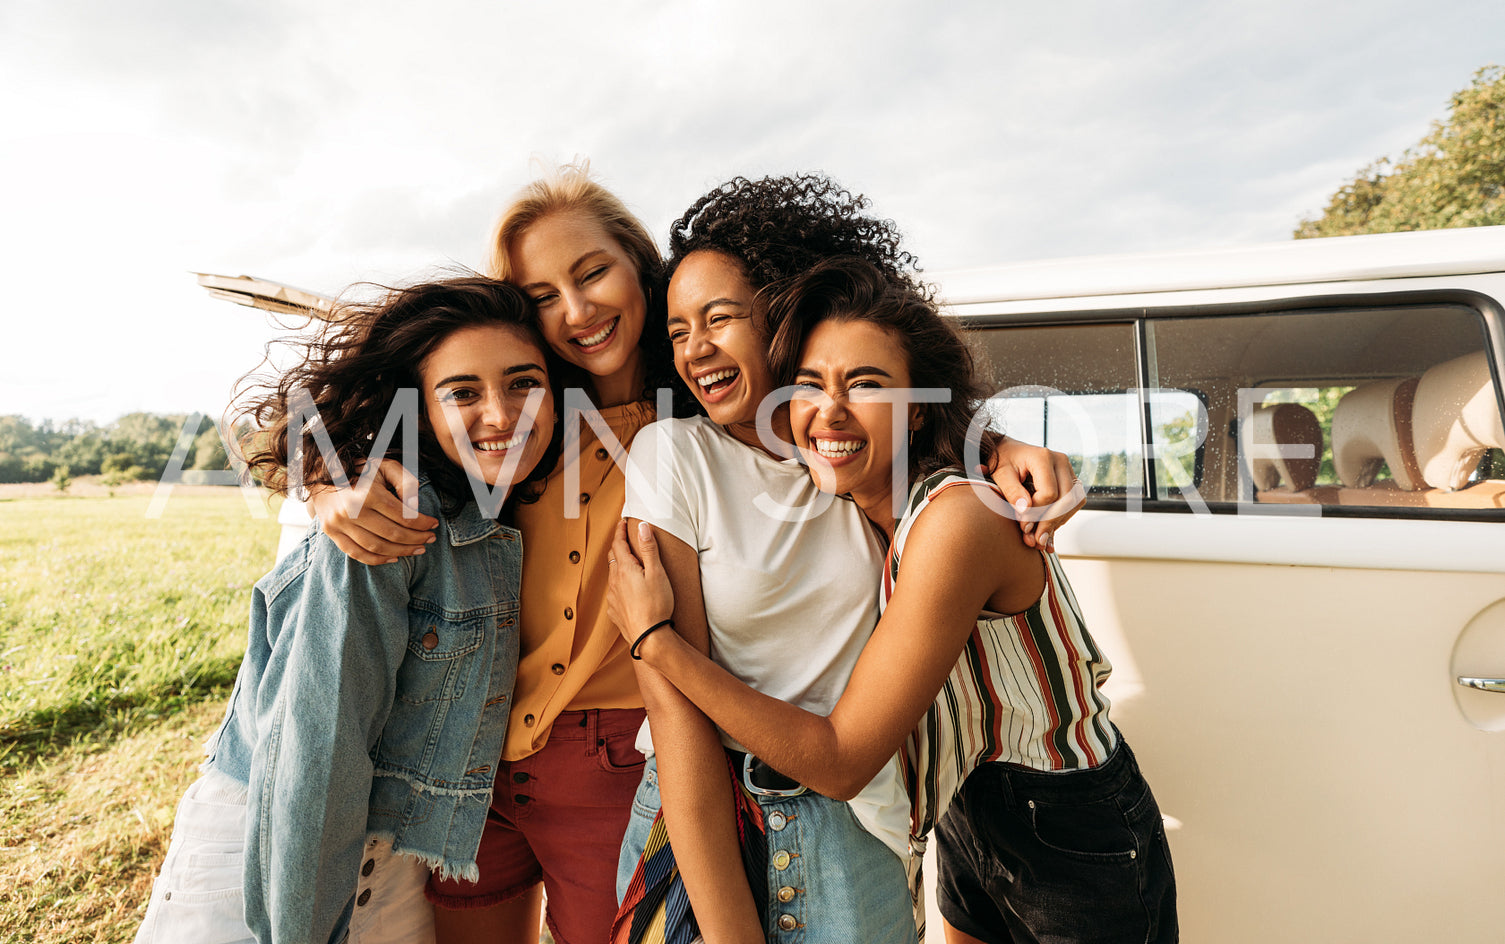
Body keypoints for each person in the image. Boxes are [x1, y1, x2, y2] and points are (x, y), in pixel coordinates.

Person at [307, 167, 1081, 944]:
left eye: (593, 272)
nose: (575, 311)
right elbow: (394, 418)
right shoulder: (525, 409)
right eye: (541, 295)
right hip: (480, 750)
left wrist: (991, 441)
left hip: (625, 758)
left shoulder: (713, 419)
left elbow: (869, 405)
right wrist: (322, 482)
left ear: (641, 272)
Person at [610, 257, 1178, 944]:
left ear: (918, 410)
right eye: (810, 385)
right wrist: (995, 442)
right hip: (964, 804)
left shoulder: (956, 519)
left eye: (866, 384)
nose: (828, 409)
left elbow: (842, 760)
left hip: (1062, 817)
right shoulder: (848, 494)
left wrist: (657, 644)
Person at [133, 276, 564, 944]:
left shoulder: (491, 514)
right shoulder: (385, 525)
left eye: (522, 383)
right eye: (462, 393)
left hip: (388, 864)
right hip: (273, 857)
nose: (502, 414)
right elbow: (312, 764)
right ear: (419, 410)